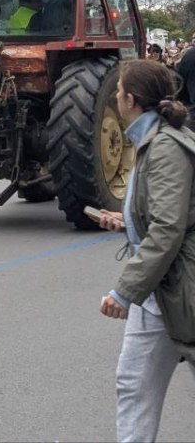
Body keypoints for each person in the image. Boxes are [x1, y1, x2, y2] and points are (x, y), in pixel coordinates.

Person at [94, 59, 195, 443]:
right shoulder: (152, 140)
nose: (116, 98)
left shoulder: (165, 146)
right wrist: (125, 220)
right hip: (162, 288)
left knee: (135, 387)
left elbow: (168, 228)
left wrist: (124, 292)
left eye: (119, 92)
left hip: (176, 287)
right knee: (134, 386)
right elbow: (163, 214)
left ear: (131, 100)